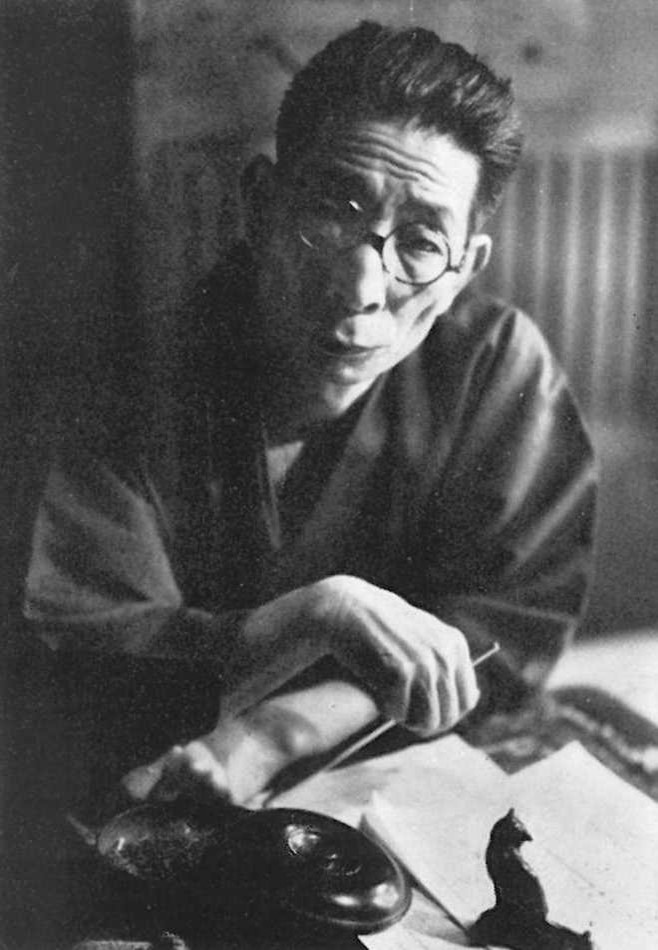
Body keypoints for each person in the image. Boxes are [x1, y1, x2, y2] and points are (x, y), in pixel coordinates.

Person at [21, 22, 596, 814]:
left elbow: (500, 624)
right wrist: (313, 617)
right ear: (261, 205)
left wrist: (269, 736)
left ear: (464, 267)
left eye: (422, 243)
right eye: (333, 207)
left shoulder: (493, 369)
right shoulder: (129, 378)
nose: (363, 287)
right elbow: (91, 660)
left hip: (377, 773)